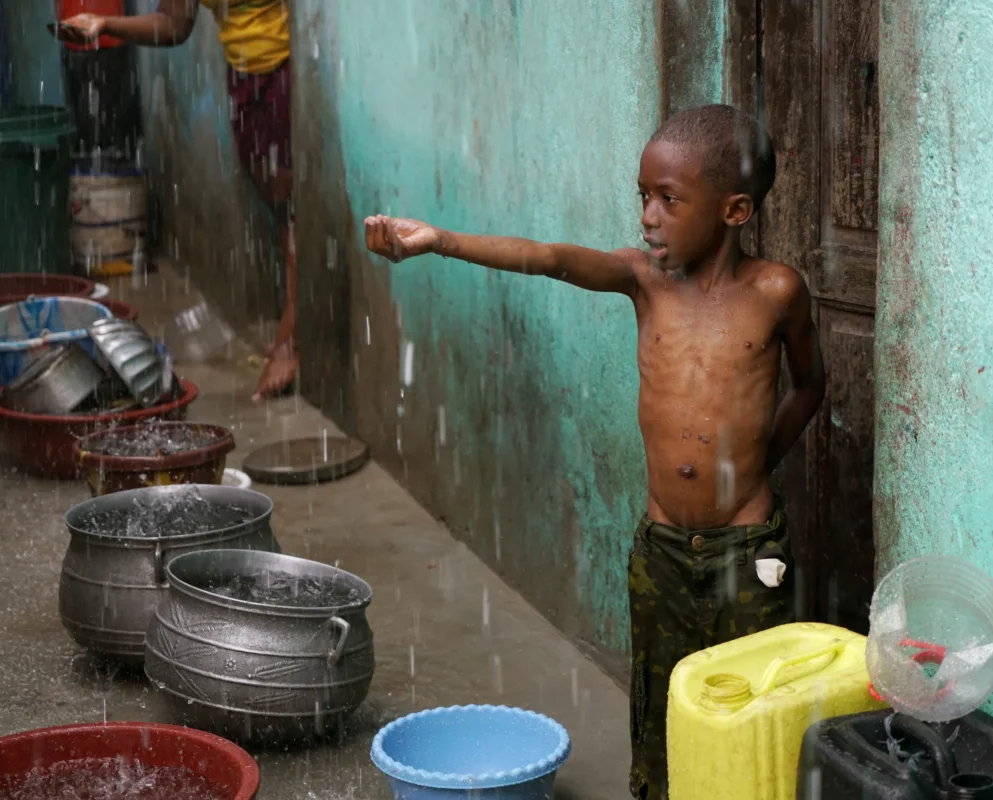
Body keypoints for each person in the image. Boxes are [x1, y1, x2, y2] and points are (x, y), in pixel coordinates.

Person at [365, 104, 826, 799]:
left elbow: (809, 387)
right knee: (660, 706)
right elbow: (547, 258)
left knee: (753, 708)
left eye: (669, 200)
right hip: (664, 549)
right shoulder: (643, 282)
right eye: (642, 196)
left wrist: (758, 462)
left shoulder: (776, 292)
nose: (648, 216)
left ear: (734, 211)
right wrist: (440, 240)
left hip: (749, 546)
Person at [53, 0, 299, 403]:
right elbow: (173, 24)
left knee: (290, 203)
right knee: (276, 198)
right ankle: (293, 323)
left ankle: (290, 339)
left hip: (287, 66)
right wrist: (105, 23)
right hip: (245, 72)